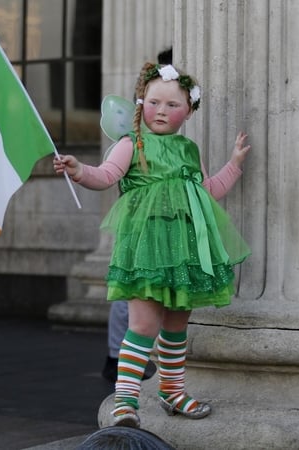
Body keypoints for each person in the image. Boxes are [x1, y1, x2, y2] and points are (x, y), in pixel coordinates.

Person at [54, 61, 250, 429]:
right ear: (140, 103)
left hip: (184, 251)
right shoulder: (131, 144)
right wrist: (79, 170)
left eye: (173, 105)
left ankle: (172, 391)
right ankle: (126, 401)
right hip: (145, 250)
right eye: (154, 102)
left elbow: (207, 193)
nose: (162, 111)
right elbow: (105, 175)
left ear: (188, 111)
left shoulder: (189, 150)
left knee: (177, 326)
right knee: (143, 324)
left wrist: (234, 165)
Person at [102, 47, 173, 384]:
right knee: (134, 285)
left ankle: (125, 360)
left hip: (164, 212)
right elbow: (105, 174)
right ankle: (119, 360)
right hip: (141, 205)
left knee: (144, 287)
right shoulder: (137, 129)